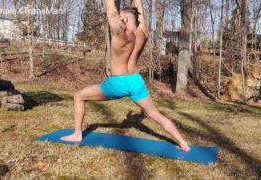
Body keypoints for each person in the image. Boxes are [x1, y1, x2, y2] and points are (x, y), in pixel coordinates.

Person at [61, 0, 190, 152]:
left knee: (78, 96)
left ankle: (77, 134)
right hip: (135, 81)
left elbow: (110, 6)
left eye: (121, 16)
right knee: (156, 115)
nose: (119, 18)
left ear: (126, 19)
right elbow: (139, 9)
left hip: (117, 83)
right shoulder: (142, 34)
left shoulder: (119, 31)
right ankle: (183, 144)